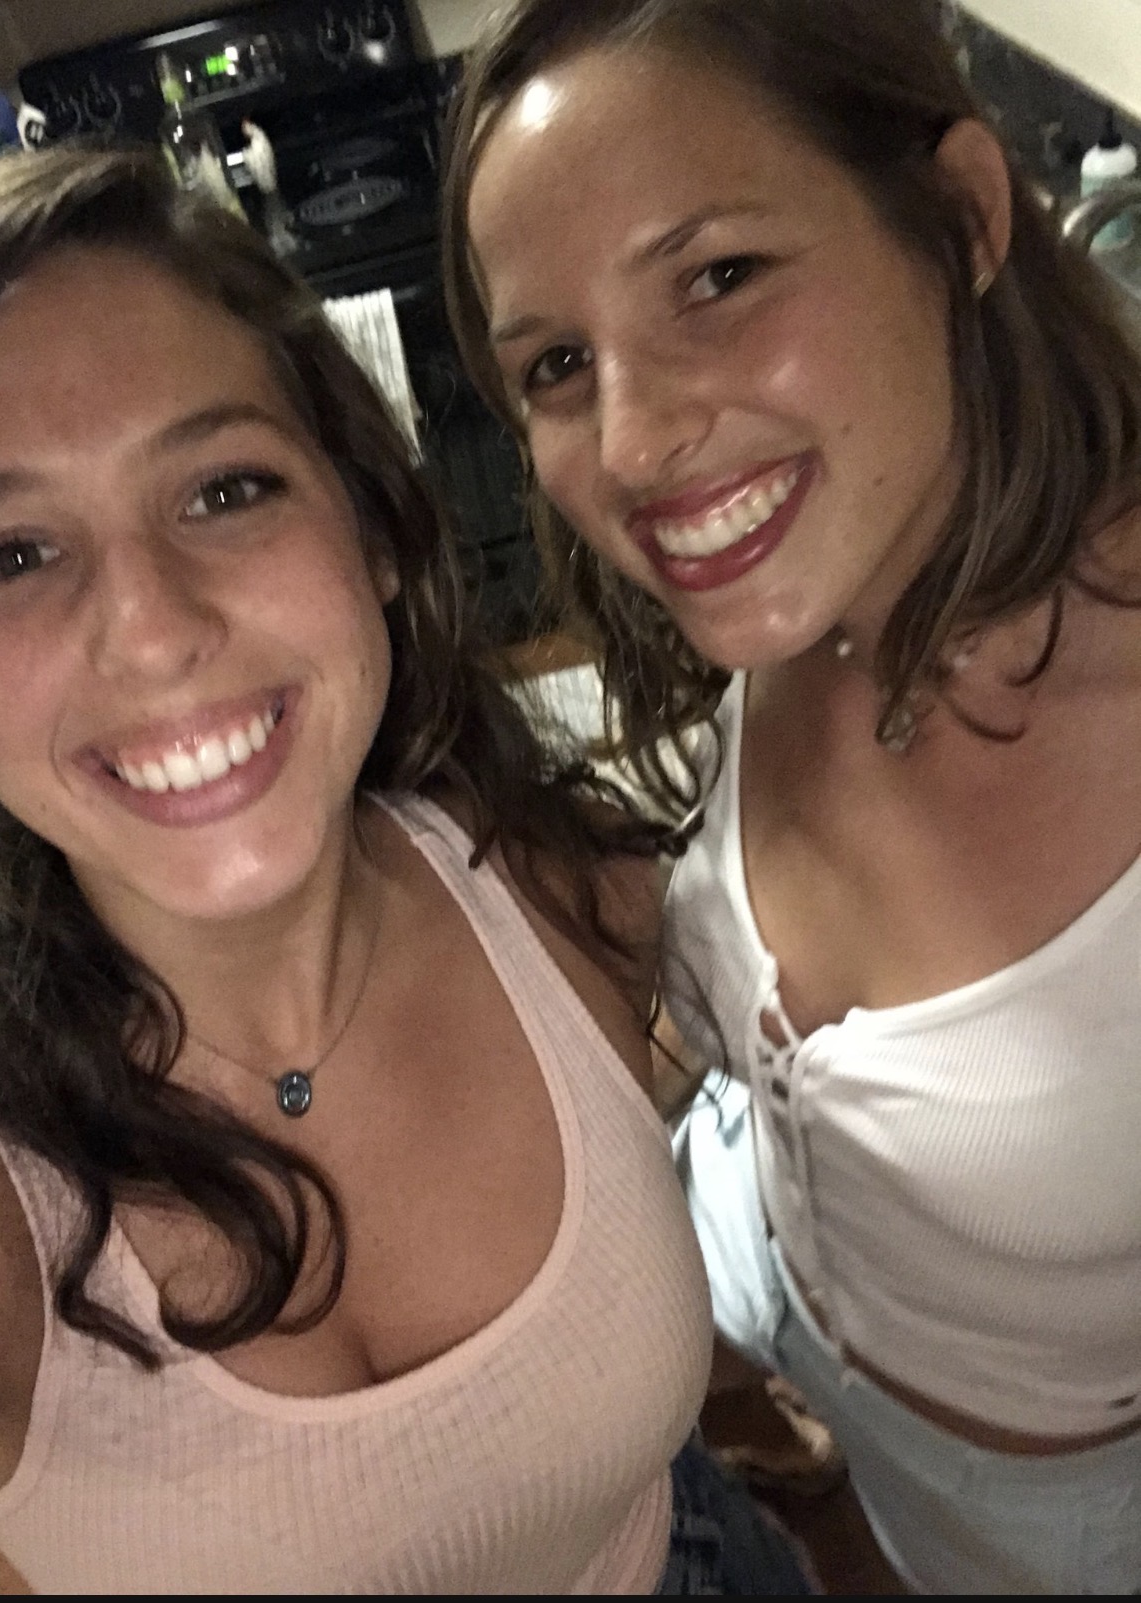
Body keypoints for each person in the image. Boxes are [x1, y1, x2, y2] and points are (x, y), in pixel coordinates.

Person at [0, 148, 812, 1595]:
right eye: (8, 555)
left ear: (374, 532)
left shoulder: (562, 891)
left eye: (225, 489)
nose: (151, 628)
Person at [443, 0, 1141, 1591]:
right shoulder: (809, 594)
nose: (632, 443)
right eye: (557, 364)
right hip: (792, 1314)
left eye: (717, 277)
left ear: (959, 217)